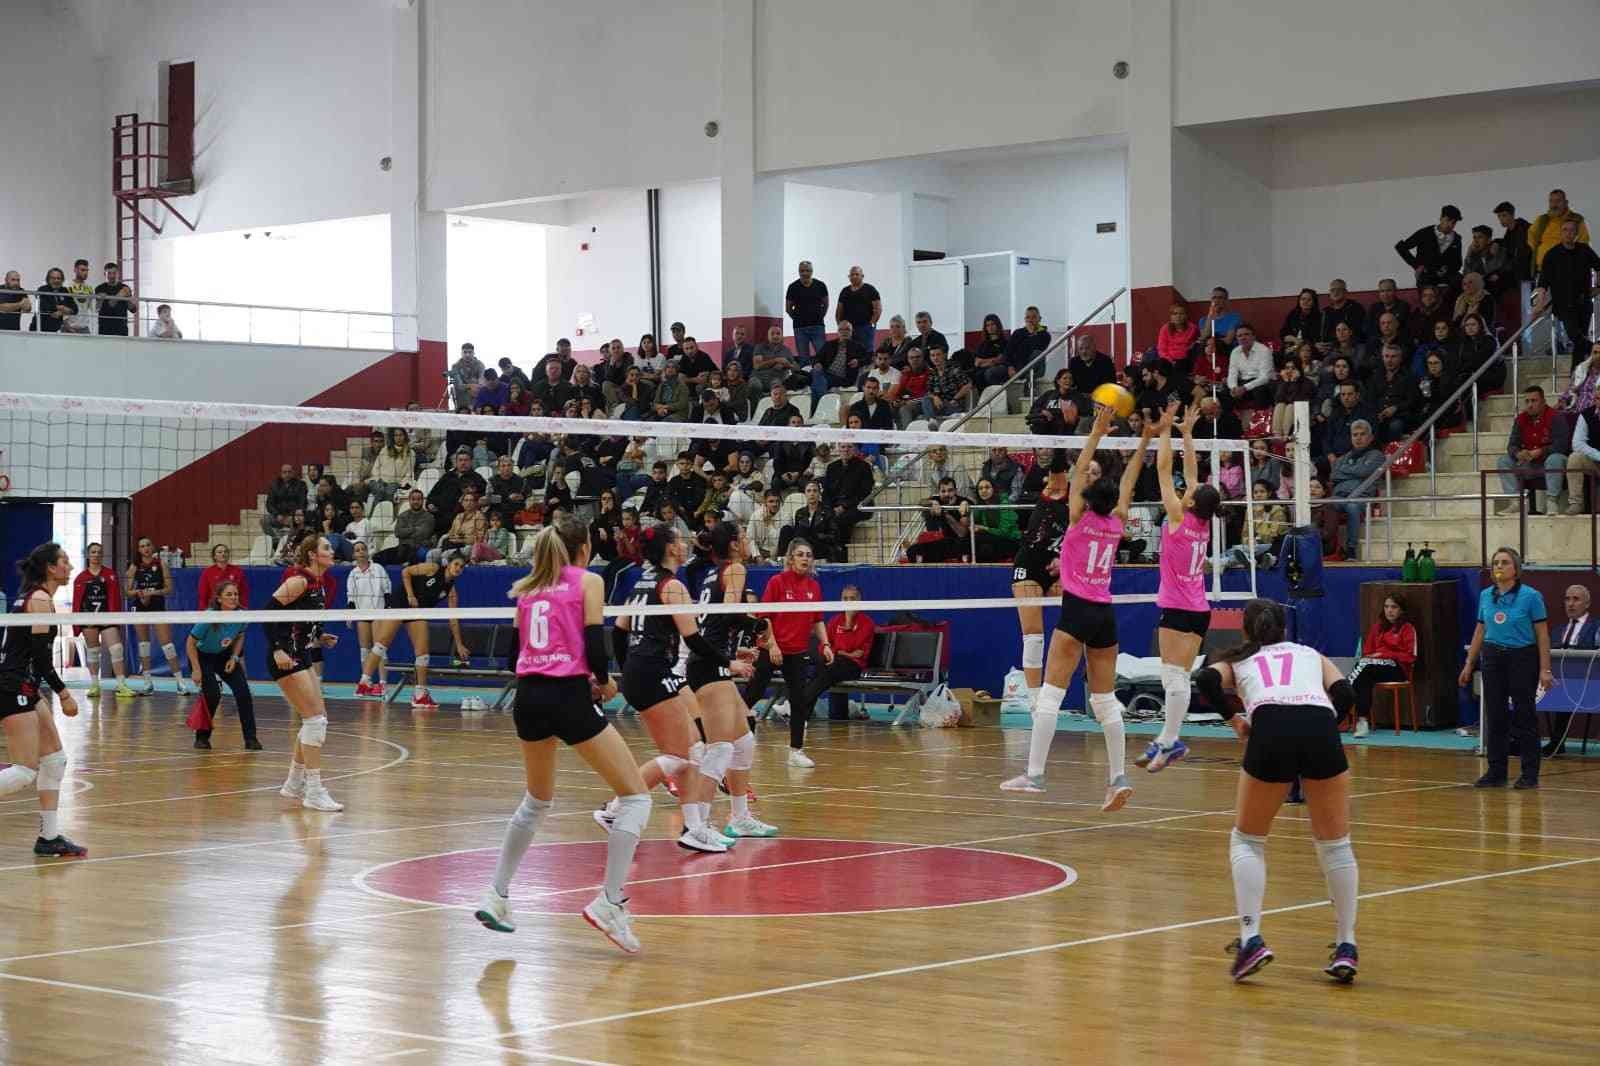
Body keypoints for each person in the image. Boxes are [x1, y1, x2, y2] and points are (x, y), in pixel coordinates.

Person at [471, 515, 651, 953]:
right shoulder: (589, 581)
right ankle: (610, 903)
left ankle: (496, 894)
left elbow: (513, 657)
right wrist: (604, 681)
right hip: (567, 697)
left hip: (528, 699)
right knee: (635, 797)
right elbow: (594, 647)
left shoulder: (527, 588)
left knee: (536, 801)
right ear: (584, 547)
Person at [1191, 598, 1361, 984]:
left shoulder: (1239, 659)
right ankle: (1346, 944)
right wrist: (1324, 726)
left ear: (1245, 630)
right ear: (1284, 628)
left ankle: (1251, 938)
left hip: (1270, 726)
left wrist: (1234, 720)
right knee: (1336, 845)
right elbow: (1347, 695)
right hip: (1318, 724)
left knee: (1247, 840)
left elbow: (1205, 680)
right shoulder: (1309, 654)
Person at [1001, 405, 1151, 810]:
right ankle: (1117, 778)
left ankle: (1034, 775)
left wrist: (1096, 431)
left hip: (1077, 610)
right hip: (1105, 614)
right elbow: (1129, 481)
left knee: (1051, 696)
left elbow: (1082, 465)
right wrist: (1145, 440)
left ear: (1085, 499)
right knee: (1104, 701)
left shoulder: (1077, 520)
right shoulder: (1117, 523)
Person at [611, 525, 740, 852]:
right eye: (680, 540)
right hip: (651, 671)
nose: (685, 544)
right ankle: (615, 809)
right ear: (670, 548)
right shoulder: (672, 586)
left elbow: (618, 631)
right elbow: (694, 640)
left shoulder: (640, 583)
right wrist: (730, 663)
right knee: (679, 755)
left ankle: (693, 828)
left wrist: (628, 667)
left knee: (692, 749)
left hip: (642, 670)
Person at [1140, 403, 1221, 772]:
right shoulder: (1203, 522)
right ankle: (1167, 739)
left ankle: (1170, 741)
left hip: (1176, 607)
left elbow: (1163, 470)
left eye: (1193, 490)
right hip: (1199, 610)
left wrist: (1164, 432)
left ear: (1191, 501)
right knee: (1179, 678)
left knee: (1172, 678)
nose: (1190, 487)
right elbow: (1190, 473)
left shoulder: (1177, 517)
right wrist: (1186, 433)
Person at [682, 521, 771, 837]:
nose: (747, 541)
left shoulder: (712, 572)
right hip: (710, 665)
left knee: (743, 742)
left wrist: (739, 648)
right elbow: (731, 613)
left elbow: (717, 620)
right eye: (744, 537)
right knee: (719, 749)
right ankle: (698, 825)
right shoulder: (735, 568)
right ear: (733, 544)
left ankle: (739, 817)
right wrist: (758, 624)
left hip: (711, 660)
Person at [0, 543, 88, 857]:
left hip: (26, 685)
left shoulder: (36, 597)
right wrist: (64, 694)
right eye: (64, 561)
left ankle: (48, 838)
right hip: (14, 686)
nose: (70, 566)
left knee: (54, 760)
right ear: (51, 568)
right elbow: (40, 658)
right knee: (24, 771)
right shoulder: (38, 599)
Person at [1460, 547, 1553, 790]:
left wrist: (1545, 669)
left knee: (1524, 715)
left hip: (1522, 657)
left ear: (1516, 569)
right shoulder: (1485, 596)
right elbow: (1480, 629)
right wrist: (1469, 663)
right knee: (1495, 715)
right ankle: (1496, 772)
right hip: (1493, 657)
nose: (1499, 566)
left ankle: (1529, 774)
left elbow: (1542, 634)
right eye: (1496, 563)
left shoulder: (1531, 596)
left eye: (1504, 562)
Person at [265, 537, 343, 811]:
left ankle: (293, 784)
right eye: (326, 548)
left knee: (316, 720)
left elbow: (302, 620)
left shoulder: (319, 584)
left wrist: (319, 636)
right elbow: (268, 613)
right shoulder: (299, 581)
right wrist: (278, 649)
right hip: (286, 657)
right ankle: (313, 790)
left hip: (303, 653)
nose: (332, 551)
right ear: (312, 554)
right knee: (315, 721)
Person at [743, 538, 830, 767]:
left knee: (799, 701)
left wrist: (826, 644)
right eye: (800, 554)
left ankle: (796, 751)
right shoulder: (777, 582)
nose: (805, 559)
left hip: (797, 651)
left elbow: (817, 620)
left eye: (808, 555)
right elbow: (764, 618)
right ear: (790, 558)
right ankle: (734, 735)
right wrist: (772, 645)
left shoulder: (814, 587)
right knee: (753, 693)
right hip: (771, 647)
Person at [356, 554, 469, 708]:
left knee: (423, 653)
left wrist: (459, 644)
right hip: (401, 601)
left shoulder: (451, 592)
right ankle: (364, 683)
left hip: (417, 611)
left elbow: (453, 619)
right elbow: (406, 572)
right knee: (382, 643)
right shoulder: (433, 568)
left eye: (462, 567)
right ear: (449, 564)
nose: (458, 568)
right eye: (456, 564)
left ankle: (420, 695)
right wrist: (410, 595)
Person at [1009, 451, 1070, 695]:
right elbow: (1057, 466)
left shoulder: (1091, 509)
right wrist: (1060, 440)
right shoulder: (1057, 492)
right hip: (1030, 566)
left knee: (1080, 629)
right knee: (1034, 636)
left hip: (1060, 571)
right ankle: (1035, 701)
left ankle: (1080, 693)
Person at [185, 580, 259, 751]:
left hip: (224, 656)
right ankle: (202, 738)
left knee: (243, 693)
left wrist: (234, 657)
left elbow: (240, 635)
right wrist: (196, 669)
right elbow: (190, 643)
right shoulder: (209, 617)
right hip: (201, 656)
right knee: (212, 694)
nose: (234, 597)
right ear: (219, 599)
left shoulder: (242, 615)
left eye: (236, 594)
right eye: (229, 594)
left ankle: (251, 739)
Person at [794, 585, 875, 725]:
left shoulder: (867, 623)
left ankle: (797, 707)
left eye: (852, 598)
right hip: (834, 662)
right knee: (820, 670)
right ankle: (801, 717)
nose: (848, 602)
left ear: (859, 600)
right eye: (845, 598)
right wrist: (837, 651)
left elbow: (856, 652)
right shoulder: (835, 621)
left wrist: (848, 622)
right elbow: (823, 645)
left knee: (824, 670)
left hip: (853, 666)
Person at [125, 537, 195, 694]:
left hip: (157, 605)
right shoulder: (134, 567)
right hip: (140, 605)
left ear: (152, 547)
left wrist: (153, 592)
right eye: (142, 546)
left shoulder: (161, 564)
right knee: (144, 645)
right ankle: (147, 683)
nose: (145, 548)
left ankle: (180, 682)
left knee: (167, 645)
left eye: (148, 545)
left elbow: (169, 589)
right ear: (139, 550)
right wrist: (139, 592)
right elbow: (127, 592)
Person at [1345, 595, 1418, 737]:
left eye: (1394, 607)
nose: (1389, 610)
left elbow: (1410, 657)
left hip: (1398, 670)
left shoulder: (1407, 628)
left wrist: (1385, 654)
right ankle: (1362, 720)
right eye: (1386, 607)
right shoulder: (1378, 627)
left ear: (1401, 610)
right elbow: (1367, 652)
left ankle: (1345, 706)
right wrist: (1374, 657)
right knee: (1364, 675)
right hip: (1373, 667)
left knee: (1364, 669)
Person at [1495, 385, 1570, 515]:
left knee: (1555, 459)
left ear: (1543, 401)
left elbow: (1562, 445)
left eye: (1534, 401)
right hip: (1529, 462)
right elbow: (1512, 445)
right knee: (1503, 461)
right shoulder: (1521, 419)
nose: (1530, 405)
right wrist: (1518, 453)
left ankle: (1552, 502)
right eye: (1527, 401)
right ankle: (1516, 502)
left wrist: (1541, 451)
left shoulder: (1555, 416)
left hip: (1550, 462)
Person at [72, 542, 133, 700]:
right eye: (93, 552)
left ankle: (121, 685)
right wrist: (77, 624)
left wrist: (116, 618)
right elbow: (77, 602)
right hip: (88, 618)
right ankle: (94, 685)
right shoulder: (81, 578)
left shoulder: (110, 574)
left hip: (107, 617)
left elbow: (116, 598)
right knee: (93, 651)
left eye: (99, 552)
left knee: (117, 648)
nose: (96, 554)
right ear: (88, 555)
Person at [1545, 584, 1597, 757]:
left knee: (1567, 690)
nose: (1570, 604)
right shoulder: (1557, 631)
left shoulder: (1596, 627)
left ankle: (1557, 742)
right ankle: (1555, 742)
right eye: (1567, 599)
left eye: (1576, 599)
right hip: (1560, 681)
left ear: (1587, 603)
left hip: (1589, 681)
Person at [1534, 218, 1600, 351]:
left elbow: (1598, 266)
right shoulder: (1552, 254)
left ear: (1576, 233)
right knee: (1574, 335)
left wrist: (1598, 287)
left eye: (1572, 230)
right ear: (1561, 233)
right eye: (1565, 230)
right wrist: (1539, 304)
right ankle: (1596, 349)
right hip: (1564, 304)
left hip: (1584, 303)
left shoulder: (1584, 250)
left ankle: (1579, 364)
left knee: (1580, 340)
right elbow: (1543, 282)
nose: (1568, 233)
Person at [345, 540, 392, 690]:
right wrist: (350, 616)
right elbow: (351, 598)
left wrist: (388, 610)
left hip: (378, 612)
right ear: (354, 555)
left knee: (379, 648)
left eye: (363, 549)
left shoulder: (378, 568)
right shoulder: (353, 574)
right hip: (362, 614)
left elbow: (387, 590)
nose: (360, 552)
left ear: (367, 552)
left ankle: (383, 683)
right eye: (357, 550)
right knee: (364, 650)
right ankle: (367, 682)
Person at [1394, 204, 1464, 292]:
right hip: (1426, 274)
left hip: (1447, 274)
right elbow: (1401, 247)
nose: (1450, 225)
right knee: (1427, 292)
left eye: (1454, 222)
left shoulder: (1457, 238)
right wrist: (1416, 265)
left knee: (1462, 282)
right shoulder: (1425, 233)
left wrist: (1447, 269)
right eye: (1448, 220)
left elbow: (1458, 262)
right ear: (1441, 218)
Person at [835, 265, 882, 352]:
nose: (854, 276)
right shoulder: (844, 291)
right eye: (852, 275)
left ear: (862, 276)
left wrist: (871, 324)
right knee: (849, 352)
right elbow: (839, 310)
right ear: (849, 277)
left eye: (857, 274)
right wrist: (840, 325)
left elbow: (877, 309)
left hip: (865, 328)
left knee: (866, 352)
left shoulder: (870, 290)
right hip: (848, 330)